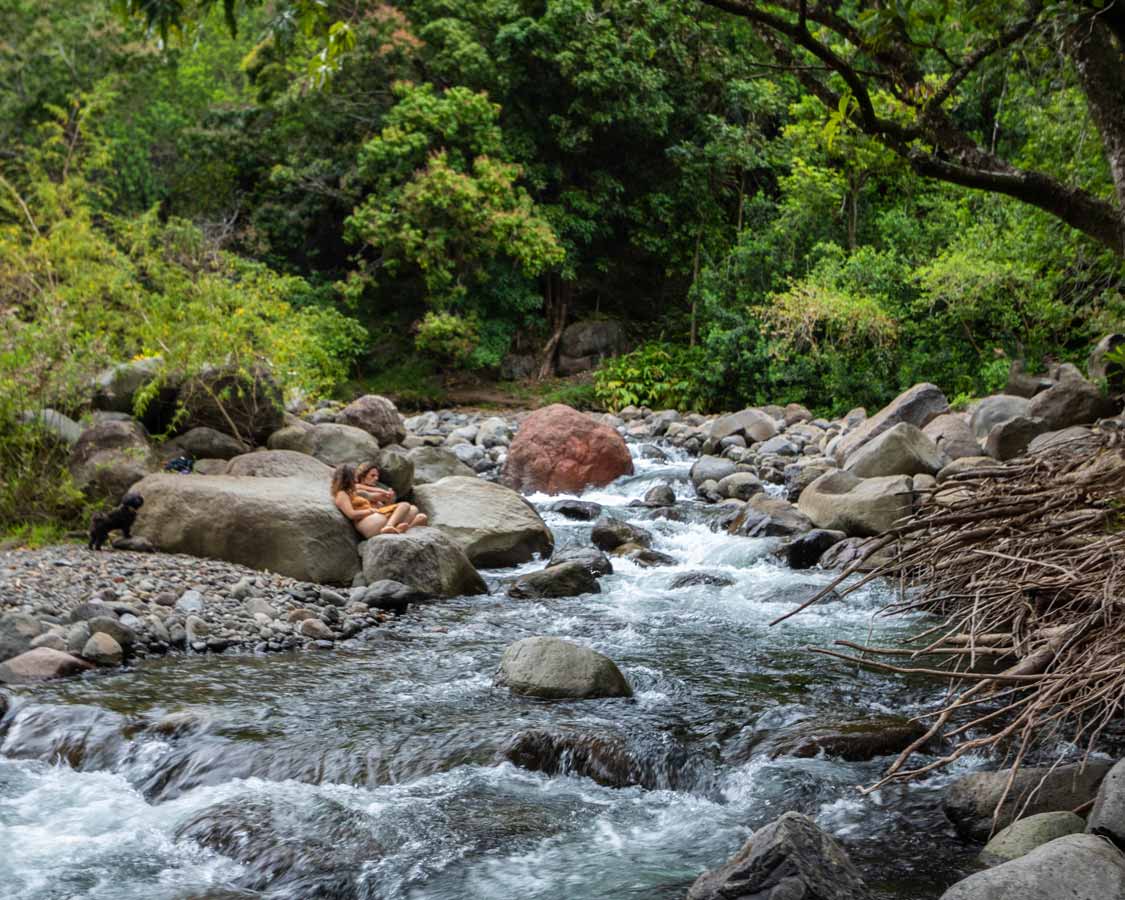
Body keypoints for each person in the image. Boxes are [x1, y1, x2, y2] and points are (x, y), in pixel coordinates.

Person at [354, 461, 427, 532]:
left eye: (377, 476)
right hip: (367, 523)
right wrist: (384, 493)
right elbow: (372, 496)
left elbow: (385, 509)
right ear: (362, 476)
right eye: (372, 475)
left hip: (378, 518)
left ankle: (399, 530)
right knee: (404, 505)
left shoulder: (375, 490)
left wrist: (389, 500)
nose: (376, 478)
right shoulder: (357, 488)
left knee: (418, 514)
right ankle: (388, 526)